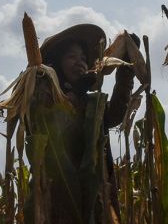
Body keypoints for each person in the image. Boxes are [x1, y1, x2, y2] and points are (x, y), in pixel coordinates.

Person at [36, 23, 136, 223]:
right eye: (72, 57)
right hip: (61, 196)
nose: (80, 63)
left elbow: (115, 114)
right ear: (55, 62)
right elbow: (54, 124)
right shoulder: (44, 95)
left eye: (83, 58)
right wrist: (77, 92)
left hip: (96, 194)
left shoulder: (91, 103)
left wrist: (127, 69)